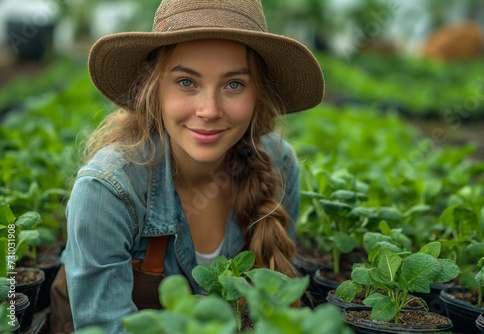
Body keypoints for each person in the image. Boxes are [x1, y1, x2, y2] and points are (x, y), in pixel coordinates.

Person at [50, 0, 324, 333]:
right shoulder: (108, 190)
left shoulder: (280, 165)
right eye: (186, 82)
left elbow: (276, 312)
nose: (209, 110)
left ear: (258, 94)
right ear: (155, 89)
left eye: (234, 84)